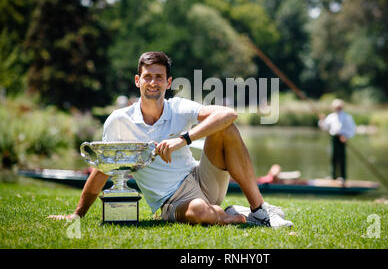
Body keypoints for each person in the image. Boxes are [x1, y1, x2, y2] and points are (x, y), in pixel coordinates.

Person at [49, 51, 292, 228]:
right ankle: (231, 214)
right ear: (138, 80)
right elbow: (102, 170)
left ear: (168, 82)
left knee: (225, 127)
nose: (153, 82)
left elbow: (229, 114)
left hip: (201, 178)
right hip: (173, 201)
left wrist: (184, 139)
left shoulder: (178, 107)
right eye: (147, 77)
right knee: (199, 211)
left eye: (158, 77)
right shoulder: (118, 121)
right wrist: (78, 214)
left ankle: (258, 211)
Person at [318, 99, 356, 182]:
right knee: (333, 157)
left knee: (342, 158)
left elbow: (352, 129)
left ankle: (343, 177)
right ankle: (333, 176)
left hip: (342, 138)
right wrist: (322, 119)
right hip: (334, 138)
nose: (337, 108)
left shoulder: (347, 117)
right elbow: (324, 127)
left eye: (339, 107)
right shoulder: (331, 116)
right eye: (335, 107)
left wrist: (346, 136)